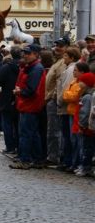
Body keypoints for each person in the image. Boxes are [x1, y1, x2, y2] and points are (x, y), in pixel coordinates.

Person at [9, 44, 46, 170]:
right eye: (24, 52)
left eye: (28, 53)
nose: (25, 55)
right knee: (33, 133)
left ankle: (25, 160)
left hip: (30, 105)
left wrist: (19, 92)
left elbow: (31, 90)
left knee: (25, 134)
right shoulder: (31, 67)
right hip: (27, 105)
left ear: (36, 54)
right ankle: (38, 159)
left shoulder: (36, 69)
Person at [44, 38, 69, 167]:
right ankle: (53, 155)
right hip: (51, 100)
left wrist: (52, 97)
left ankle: (55, 157)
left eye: (60, 46)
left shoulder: (63, 63)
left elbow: (60, 82)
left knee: (55, 131)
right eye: (56, 45)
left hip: (55, 101)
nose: (57, 48)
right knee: (52, 130)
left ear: (66, 47)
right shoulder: (57, 61)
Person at [57, 46, 81, 171]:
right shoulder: (70, 68)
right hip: (67, 107)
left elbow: (66, 88)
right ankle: (68, 161)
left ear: (72, 57)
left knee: (68, 136)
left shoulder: (71, 70)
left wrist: (59, 101)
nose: (63, 58)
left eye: (66, 56)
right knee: (67, 136)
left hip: (67, 108)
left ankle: (69, 161)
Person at [0, 46, 21, 155]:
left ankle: (10, 146)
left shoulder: (6, 67)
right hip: (19, 98)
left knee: (8, 124)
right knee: (18, 124)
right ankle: (19, 146)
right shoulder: (23, 66)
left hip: (7, 98)